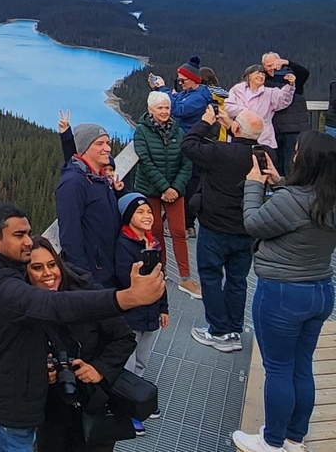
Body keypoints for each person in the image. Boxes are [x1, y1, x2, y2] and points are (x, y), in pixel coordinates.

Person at [0, 205, 166, 452]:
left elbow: (20, 341)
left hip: (28, 412)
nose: (28, 241)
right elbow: (53, 305)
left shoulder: (11, 275)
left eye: (29, 233)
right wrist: (126, 298)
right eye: (19, 235)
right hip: (9, 417)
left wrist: (59, 369)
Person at [232, 131, 336, 452]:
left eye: (296, 153)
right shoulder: (327, 197)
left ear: (303, 159)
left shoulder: (292, 200)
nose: (292, 157)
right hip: (320, 290)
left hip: (282, 294)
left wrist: (253, 184)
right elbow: (300, 212)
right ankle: (294, 437)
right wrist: (280, 183)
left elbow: (254, 222)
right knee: (301, 366)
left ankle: (271, 441)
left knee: (278, 367)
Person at [28, 236, 139, 451]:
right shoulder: (25, 309)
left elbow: (125, 338)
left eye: (52, 265)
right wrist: (39, 373)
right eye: (37, 268)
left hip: (95, 404)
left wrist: (99, 368)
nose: (47, 274)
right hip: (51, 413)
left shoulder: (87, 295)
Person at [181, 106, 263, 353]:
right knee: (238, 281)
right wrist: (231, 125)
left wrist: (206, 121)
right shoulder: (261, 156)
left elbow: (188, 145)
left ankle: (217, 331)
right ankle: (234, 331)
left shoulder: (218, 152)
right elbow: (241, 144)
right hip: (246, 230)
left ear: (236, 128)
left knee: (211, 277)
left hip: (214, 228)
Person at [133, 92, 200, 298]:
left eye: (167, 108)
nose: (164, 112)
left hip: (175, 190)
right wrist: (164, 188)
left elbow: (186, 162)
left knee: (179, 231)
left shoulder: (178, 132)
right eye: (160, 108)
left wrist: (175, 188)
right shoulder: (141, 131)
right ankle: (160, 270)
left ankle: (185, 279)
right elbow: (145, 161)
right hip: (150, 189)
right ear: (150, 109)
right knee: (155, 229)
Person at [112, 194, 168, 437]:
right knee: (129, 360)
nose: (147, 217)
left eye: (149, 212)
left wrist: (163, 308)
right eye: (140, 213)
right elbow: (127, 279)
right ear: (128, 217)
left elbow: (160, 278)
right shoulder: (125, 243)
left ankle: (139, 396)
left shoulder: (152, 241)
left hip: (151, 313)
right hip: (133, 313)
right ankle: (128, 407)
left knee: (143, 359)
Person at [57, 124, 126, 289]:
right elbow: (70, 236)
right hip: (94, 277)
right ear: (85, 147)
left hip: (109, 269)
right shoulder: (73, 183)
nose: (107, 148)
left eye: (107, 143)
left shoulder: (99, 177)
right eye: (99, 143)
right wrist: (83, 279)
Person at [225, 64, 295, 162]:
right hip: (238, 138)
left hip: (263, 139)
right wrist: (246, 112)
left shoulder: (270, 93)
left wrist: (290, 86)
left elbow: (284, 100)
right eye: (258, 73)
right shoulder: (236, 90)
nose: (261, 76)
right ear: (249, 76)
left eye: (263, 74)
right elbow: (227, 107)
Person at [263, 53, 310, 178]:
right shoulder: (264, 81)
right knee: (277, 162)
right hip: (274, 129)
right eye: (268, 65)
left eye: (274, 64)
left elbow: (304, 73)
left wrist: (288, 63)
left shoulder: (292, 78)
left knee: (291, 163)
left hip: (293, 128)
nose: (271, 68)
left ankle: (290, 187)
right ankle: (278, 188)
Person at [151, 56, 213, 133]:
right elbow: (169, 101)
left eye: (182, 80)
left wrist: (163, 88)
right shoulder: (185, 93)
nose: (180, 83)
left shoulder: (199, 99)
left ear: (193, 79)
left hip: (187, 138)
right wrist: (158, 88)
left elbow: (178, 110)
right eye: (179, 80)